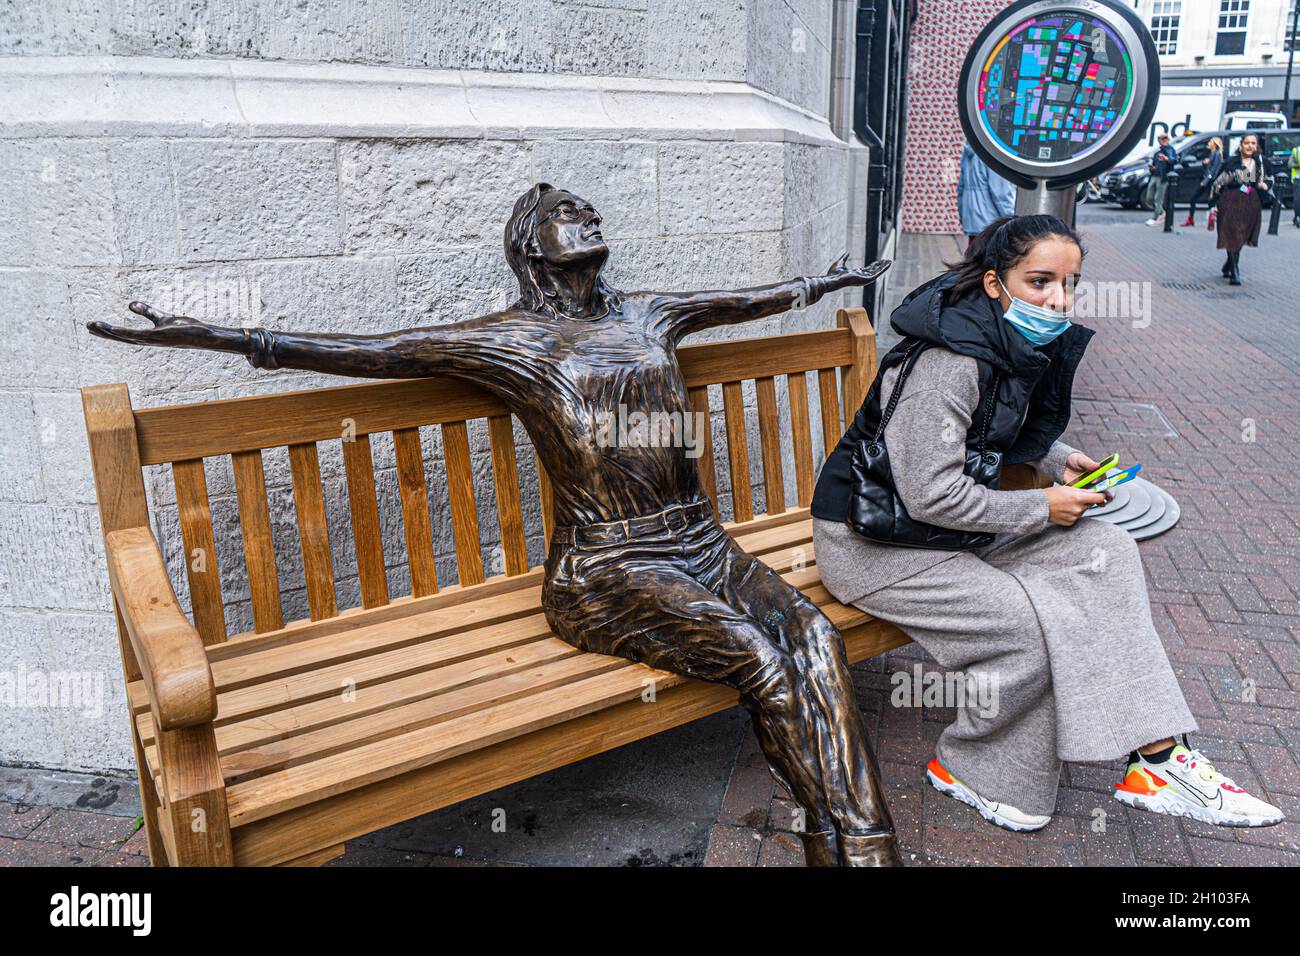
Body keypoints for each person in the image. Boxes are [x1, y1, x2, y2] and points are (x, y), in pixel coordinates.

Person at [86, 183, 903, 867]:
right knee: (761, 658)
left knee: (815, 637)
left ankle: (853, 848)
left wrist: (826, 284)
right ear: (530, 245)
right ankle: (853, 850)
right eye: (567, 212)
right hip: (608, 575)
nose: (589, 216)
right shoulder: (509, 341)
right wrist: (223, 336)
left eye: (591, 211)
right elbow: (372, 351)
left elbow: (743, 300)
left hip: (701, 546)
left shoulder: (648, 315)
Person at [809, 214, 1284, 832]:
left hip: (949, 530)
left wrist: (1059, 461)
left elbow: (988, 437)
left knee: (1104, 550)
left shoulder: (1004, 341)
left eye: (1070, 284)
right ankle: (971, 767)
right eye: (1039, 282)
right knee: (1025, 629)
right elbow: (929, 493)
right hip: (874, 543)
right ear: (993, 282)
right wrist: (1044, 507)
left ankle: (1159, 760)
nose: (1058, 299)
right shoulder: (948, 362)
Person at [1209, 133, 1273, 285]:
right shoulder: (1231, 162)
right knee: (1233, 233)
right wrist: (1213, 205)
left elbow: (1270, 178)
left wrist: (1266, 185)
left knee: (1242, 234)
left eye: (1253, 143)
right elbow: (1218, 183)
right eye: (1247, 143)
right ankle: (1235, 271)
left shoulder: (1262, 163)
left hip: (1251, 203)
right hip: (1230, 200)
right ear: (1241, 145)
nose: (1250, 146)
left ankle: (1228, 263)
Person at [958, 142, 1016, 249]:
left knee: (974, 259)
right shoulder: (992, 154)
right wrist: (1013, 219)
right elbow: (1000, 193)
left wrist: (963, 215)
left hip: (972, 219)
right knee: (989, 260)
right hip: (990, 222)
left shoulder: (968, 152)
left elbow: (961, 188)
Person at [1182, 136, 1222, 228]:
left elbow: (1214, 170)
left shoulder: (1217, 154)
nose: (1208, 143)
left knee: (1212, 201)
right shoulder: (1212, 154)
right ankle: (1191, 219)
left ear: (1215, 144)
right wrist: (1205, 164)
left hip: (1210, 181)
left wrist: (1206, 181)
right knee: (1195, 198)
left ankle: (1213, 220)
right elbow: (1209, 168)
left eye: (1210, 142)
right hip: (1207, 180)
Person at [1144, 133, 1178, 226]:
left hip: (1163, 177)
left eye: (1165, 139)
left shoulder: (1170, 150)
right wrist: (1152, 168)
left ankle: (1155, 218)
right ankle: (1162, 213)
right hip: (1154, 176)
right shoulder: (1157, 152)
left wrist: (1166, 158)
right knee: (1149, 198)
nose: (1164, 140)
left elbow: (1174, 160)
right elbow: (1155, 163)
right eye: (1162, 139)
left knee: (1158, 199)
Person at [1289, 140, 1299, 228]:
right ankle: (1297, 217)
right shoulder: (1296, 151)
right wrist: (1297, 165)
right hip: (1297, 180)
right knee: (1297, 200)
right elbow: (1290, 164)